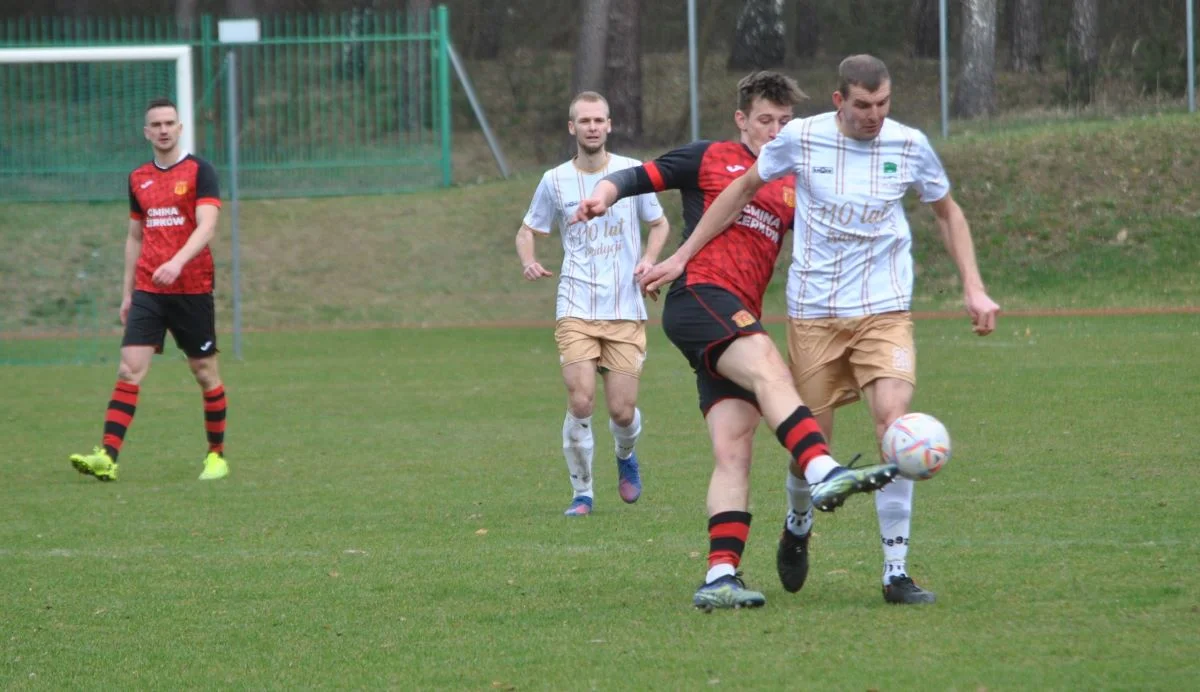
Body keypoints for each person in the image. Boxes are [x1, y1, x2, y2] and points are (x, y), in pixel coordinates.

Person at [654, 55, 1002, 605]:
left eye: (883, 104)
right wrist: (682, 257)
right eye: (863, 105)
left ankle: (896, 572)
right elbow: (741, 192)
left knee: (895, 424)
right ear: (839, 101)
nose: (875, 116)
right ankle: (797, 521)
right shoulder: (799, 138)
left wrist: (973, 286)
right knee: (807, 446)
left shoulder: (909, 145)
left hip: (884, 309)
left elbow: (947, 212)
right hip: (815, 313)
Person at [574, 72, 897, 611]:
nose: (775, 131)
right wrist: (601, 197)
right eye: (765, 120)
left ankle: (719, 575)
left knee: (734, 450)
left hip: (732, 316)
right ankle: (823, 470)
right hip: (700, 296)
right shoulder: (709, 157)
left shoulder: (791, 183)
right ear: (742, 119)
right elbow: (635, 177)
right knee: (770, 367)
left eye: (784, 122)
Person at [515, 91, 671, 517]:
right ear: (572, 127)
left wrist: (649, 259)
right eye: (584, 121)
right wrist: (530, 261)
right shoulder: (555, 180)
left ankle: (625, 454)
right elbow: (527, 230)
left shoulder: (631, 173)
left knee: (622, 411)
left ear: (609, 124)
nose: (592, 127)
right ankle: (582, 493)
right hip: (576, 304)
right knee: (581, 401)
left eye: (599, 120)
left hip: (625, 306)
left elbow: (659, 223)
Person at [69, 97, 229, 482]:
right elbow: (134, 237)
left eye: (169, 123)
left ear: (179, 128)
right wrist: (127, 293)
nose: (162, 129)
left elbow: (206, 226)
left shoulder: (199, 171)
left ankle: (216, 456)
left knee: (205, 373)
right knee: (128, 369)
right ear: (146, 132)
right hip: (148, 291)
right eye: (155, 124)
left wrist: (177, 262)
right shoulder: (138, 177)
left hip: (191, 288)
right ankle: (107, 456)